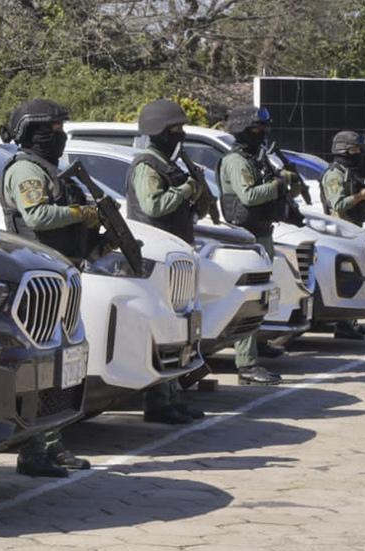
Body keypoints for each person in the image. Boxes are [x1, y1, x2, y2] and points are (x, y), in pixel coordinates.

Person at [0, 98, 96, 478]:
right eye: (52, 130)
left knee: (62, 367)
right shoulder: (25, 169)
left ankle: (52, 446)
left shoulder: (49, 170)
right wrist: (79, 213)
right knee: (42, 368)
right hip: (40, 282)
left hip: (60, 275)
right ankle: (33, 451)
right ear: (31, 132)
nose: (60, 136)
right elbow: (37, 215)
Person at [124, 99, 210, 424]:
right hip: (157, 258)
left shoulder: (172, 164)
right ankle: (158, 402)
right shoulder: (148, 166)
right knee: (163, 331)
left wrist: (199, 191)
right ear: (158, 132)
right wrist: (188, 188)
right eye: (175, 130)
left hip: (178, 256)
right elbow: (155, 206)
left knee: (181, 331)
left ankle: (173, 396)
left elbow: (193, 211)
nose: (181, 135)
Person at [216, 105, 292, 386]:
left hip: (261, 235)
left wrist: (284, 185)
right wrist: (276, 186)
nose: (261, 134)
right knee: (251, 300)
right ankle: (246, 364)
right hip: (247, 239)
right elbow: (248, 195)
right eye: (256, 130)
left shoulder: (254, 158)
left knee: (263, 298)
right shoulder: (237, 161)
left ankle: (255, 348)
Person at [318, 130, 365, 340]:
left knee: (359, 275)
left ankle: (351, 322)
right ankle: (343, 325)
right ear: (342, 150)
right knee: (346, 278)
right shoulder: (335, 174)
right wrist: (360, 196)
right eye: (354, 149)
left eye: (359, 150)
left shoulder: (351, 172)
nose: (357, 153)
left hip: (354, 229)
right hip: (341, 231)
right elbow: (338, 204)